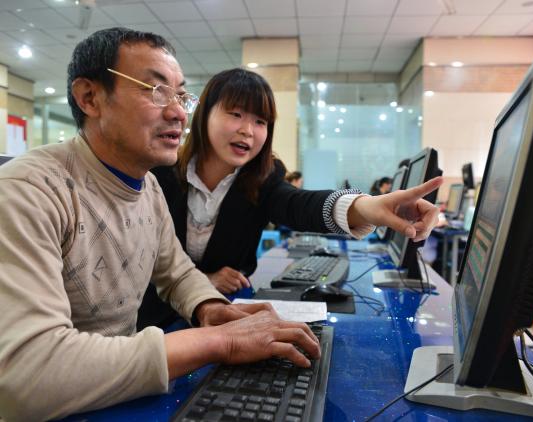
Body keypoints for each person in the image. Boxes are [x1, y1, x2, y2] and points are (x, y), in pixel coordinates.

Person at [0, 28, 321, 421]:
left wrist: (210, 308)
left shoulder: (147, 185)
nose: (178, 113)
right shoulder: (29, 190)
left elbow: (176, 271)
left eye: (180, 95)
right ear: (90, 98)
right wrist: (218, 342)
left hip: (114, 395)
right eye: (155, 91)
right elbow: (26, 375)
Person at [144, 67, 442, 327]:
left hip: (221, 318)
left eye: (261, 122)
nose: (248, 130)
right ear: (205, 113)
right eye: (235, 114)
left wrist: (367, 207)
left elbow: (298, 205)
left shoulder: (264, 176)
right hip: (151, 324)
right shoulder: (159, 171)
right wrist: (203, 281)